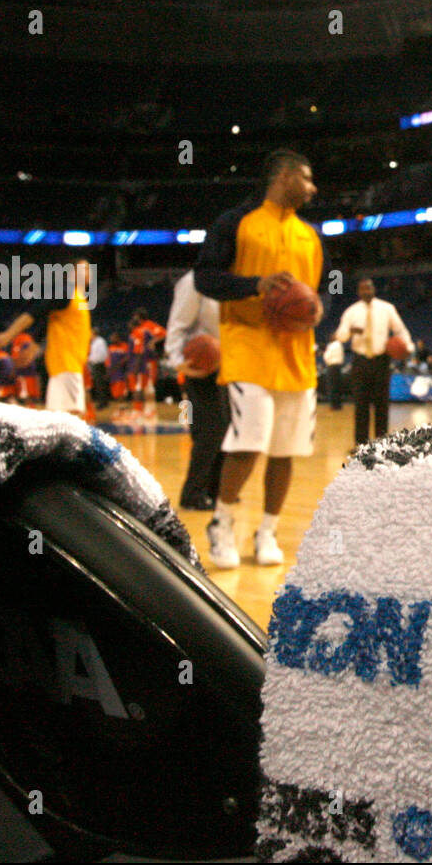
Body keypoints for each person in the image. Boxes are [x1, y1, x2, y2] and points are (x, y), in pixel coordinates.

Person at [194, 148, 329, 569]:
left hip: (297, 354)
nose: (313, 187)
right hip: (248, 345)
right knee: (249, 441)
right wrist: (256, 285)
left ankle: (267, 530)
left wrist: (315, 309)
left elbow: (311, 294)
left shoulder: (311, 235)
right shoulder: (235, 222)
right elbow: (205, 277)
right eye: (307, 178)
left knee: (284, 451)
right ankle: (222, 521)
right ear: (285, 176)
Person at [0, 258, 92, 416]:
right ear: (71, 274)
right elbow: (37, 311)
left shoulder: (79, 298)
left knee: (59, 419)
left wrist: (34, 345)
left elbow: (47, 321)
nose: (86, 273)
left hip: (66, 366)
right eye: (82, 269)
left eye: (88, 270)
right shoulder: (67, 292)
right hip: (67, 365)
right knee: (73, 417)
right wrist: (9, 334)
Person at [165, 269, 227, 512]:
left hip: (229, 362)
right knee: (210, 430)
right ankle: (193, 492)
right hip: (200, 366)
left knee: (226, 428)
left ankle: (216, 489)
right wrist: (179, 360)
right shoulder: (194, 282)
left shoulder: (239, 280)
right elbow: (177, 325)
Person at [335, 278, 411, 446]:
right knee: (360, 405)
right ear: (358, 292)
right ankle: (361, 445)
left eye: (369, 288)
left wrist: (408, 347)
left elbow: (400, 330)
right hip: (360, 360)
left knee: (381, 404)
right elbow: (340, 336)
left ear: (374, 289)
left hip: (381, 360)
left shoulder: (387, 308)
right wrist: (350, 330)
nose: (366, 292)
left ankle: (381, 444)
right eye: (363, 289)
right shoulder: (351, 312)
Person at [128, 308, 167, 413]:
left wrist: (153, 342)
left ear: (139, 316)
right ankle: (144, 411)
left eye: (135, 316)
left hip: (149, 360)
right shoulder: (138, 329)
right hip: (143, 361)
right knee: (143, 386)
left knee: (148, 386)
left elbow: (164, 333)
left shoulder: (149, 325)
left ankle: (149, 411)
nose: (133, 318)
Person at [88, 328, 110, 410]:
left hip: (99, 365)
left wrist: (91, 359)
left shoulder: (100, 342)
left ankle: (102, 403)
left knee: (100, 384)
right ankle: (102, 402)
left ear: (94, 333)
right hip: (95, 364)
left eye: (90, 333)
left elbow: (102, 355)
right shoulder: (94, 343)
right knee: (98, 385)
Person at [322, 337, 345, 410]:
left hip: (332, 366)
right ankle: (338, 404)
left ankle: (334, 405)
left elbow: (326, 356)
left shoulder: (331, 346)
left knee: (332, 386)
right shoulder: (340, 345)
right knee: (338, 386)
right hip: (338, 366)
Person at [106, 333, 131, 402]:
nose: (112, 340)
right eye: (111, 338)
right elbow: (107, 360)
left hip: (122, 371)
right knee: (115, 392)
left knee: (121, 389)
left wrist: (121, 363)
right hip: (113, 372)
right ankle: (120, 405)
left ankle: (122, 404)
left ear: (118, 338)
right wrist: (108, 370)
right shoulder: (110, 348)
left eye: (113, 338)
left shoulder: (125, 346)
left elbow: (128, 357)